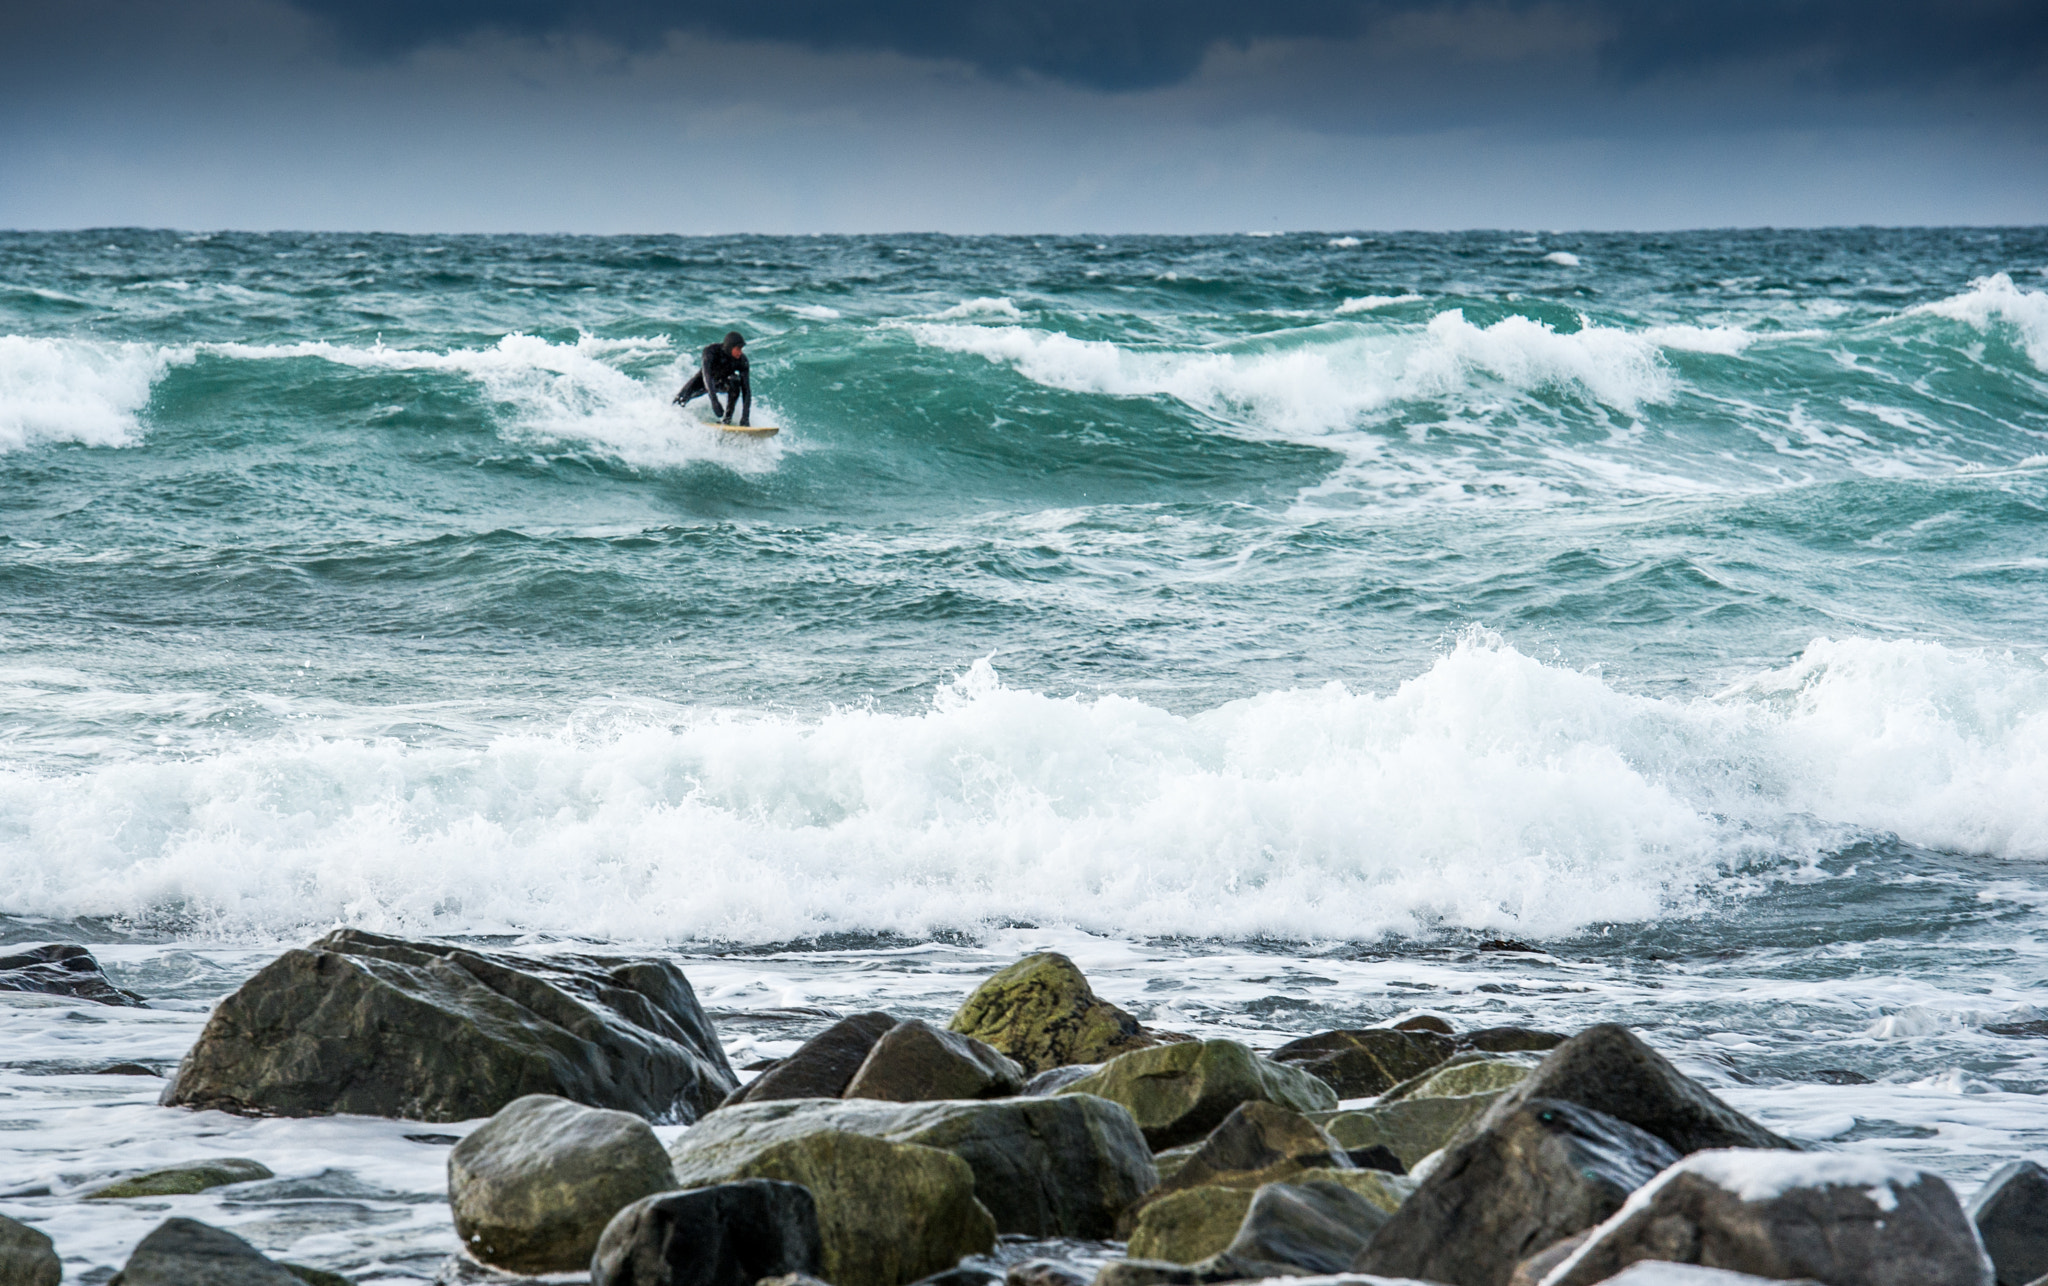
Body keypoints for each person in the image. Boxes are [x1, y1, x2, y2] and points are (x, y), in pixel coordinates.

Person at [672, 330, 751, 426]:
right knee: (679, 401)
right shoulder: (711, 351)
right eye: (738, 349)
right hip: (704, 381)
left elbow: (746, 390)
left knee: (735, 382)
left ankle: (727, 420)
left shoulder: (742, 361)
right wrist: (714, 401)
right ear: (730, 347)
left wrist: (745, 417)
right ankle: (675, 421)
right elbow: (707, 376)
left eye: (741, 349)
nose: (740, 352)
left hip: (722, 383)